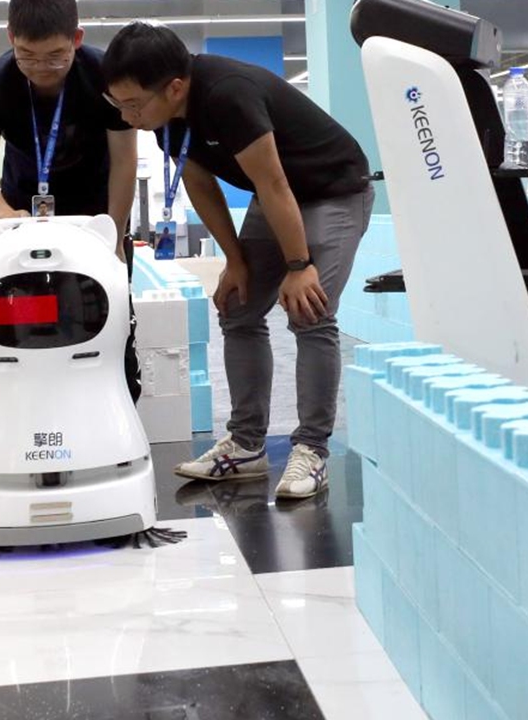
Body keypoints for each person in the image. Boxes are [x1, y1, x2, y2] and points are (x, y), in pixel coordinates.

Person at [103, 23, 374, 500]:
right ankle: (247, 445)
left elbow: (273, 182)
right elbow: (200, 184)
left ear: (174, 87)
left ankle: (312, 450)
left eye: (134, 105)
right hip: (278, 198)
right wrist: (235, 261)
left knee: (309, 311)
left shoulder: (229, 95)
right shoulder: (166, 119)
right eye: (118, 105)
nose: (127, 117)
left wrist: (298, 264)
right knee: (238, 307)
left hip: (333, 190)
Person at [0, 0, 141, 400]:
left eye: (55, 56)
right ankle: (32, 417)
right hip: (20, 218)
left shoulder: (104, 75)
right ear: (11, 39)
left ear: (76, 40)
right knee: (27, 330)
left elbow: (124, 162)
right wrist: (7, 219)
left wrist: (114, 237)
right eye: (27, 55)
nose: (41, 67)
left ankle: (115, 413)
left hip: (96, 217)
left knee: (105, 324)